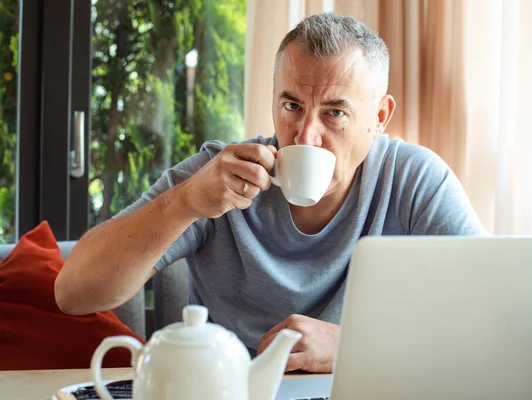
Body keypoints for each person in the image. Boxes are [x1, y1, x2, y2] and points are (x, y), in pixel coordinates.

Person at [55, 12, 485, 373]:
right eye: (291, 105)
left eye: (335, 113)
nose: (305, 136)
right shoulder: (219, 175)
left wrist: (353, 346)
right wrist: (185, 202)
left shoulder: (413, 181)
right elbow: (73, 293)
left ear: (379, 117)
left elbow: (489, 318)